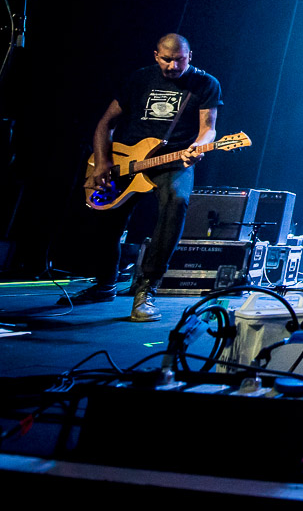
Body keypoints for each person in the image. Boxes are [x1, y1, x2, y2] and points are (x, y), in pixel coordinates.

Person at [59, 33, 222, 322]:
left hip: (173, 161)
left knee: (177, 202)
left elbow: (208, 129)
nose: (173, 66)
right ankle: (105, 284)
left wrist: (197, 148)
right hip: (127, 161)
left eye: (179, 60)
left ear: (190, 56)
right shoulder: (140, 79)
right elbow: (105, 124)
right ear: (156, 55)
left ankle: (147, 289)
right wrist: (102, 163)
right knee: (107, 218)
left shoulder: (205, 83)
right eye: (166, 59)